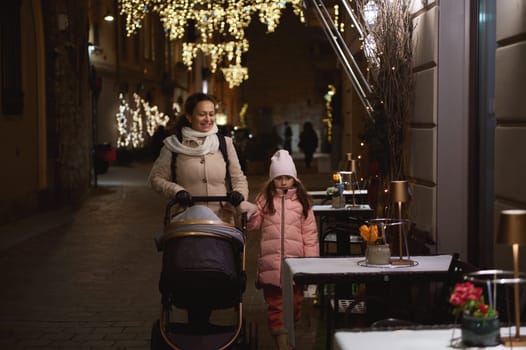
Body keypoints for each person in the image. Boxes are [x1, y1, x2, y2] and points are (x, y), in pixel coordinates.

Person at [148, 92, 249, 327]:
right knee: (191, 271)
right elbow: (155, 179)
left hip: (220, 221)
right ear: (189, 116)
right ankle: (198, 323)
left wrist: (239, 195)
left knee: (216, 271)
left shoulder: (225, 144)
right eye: (202, 114)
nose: (208, 119)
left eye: (211, 114)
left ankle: (202, 323)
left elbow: (239, 178)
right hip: (187, 222)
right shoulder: (173, 146)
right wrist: (176, 191)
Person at [245, 149, 319, 350]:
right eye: (279, 178)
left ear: (295, 179)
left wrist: (311, 265)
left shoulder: (302, 203)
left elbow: (310, 236)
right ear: (272, 179)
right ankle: (282, 342)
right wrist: (250, 212)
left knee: (294, 305)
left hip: (295, 266)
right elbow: (253, 225)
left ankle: (289, 334)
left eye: (288, 177)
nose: (284, 182)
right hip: (272, 266)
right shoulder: (265, 199)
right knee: (276, 306)